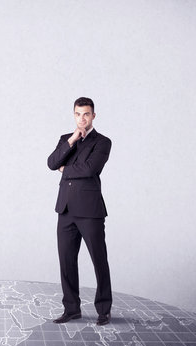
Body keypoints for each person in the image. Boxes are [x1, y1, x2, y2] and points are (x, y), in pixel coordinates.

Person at [47, 97, 113, 326]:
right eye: (78, 114)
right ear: (73, 115)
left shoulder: (103, 142)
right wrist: (72, 140)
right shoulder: (66, 139)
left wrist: (64, 168)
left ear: (93, 115)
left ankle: (104, 310)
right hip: (65, 210)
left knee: (99, 261)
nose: (82, 118)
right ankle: (71, 309)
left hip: (90, 212)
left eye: (86, 114)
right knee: (66, 261)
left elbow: (89, 169)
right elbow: (51, 162)